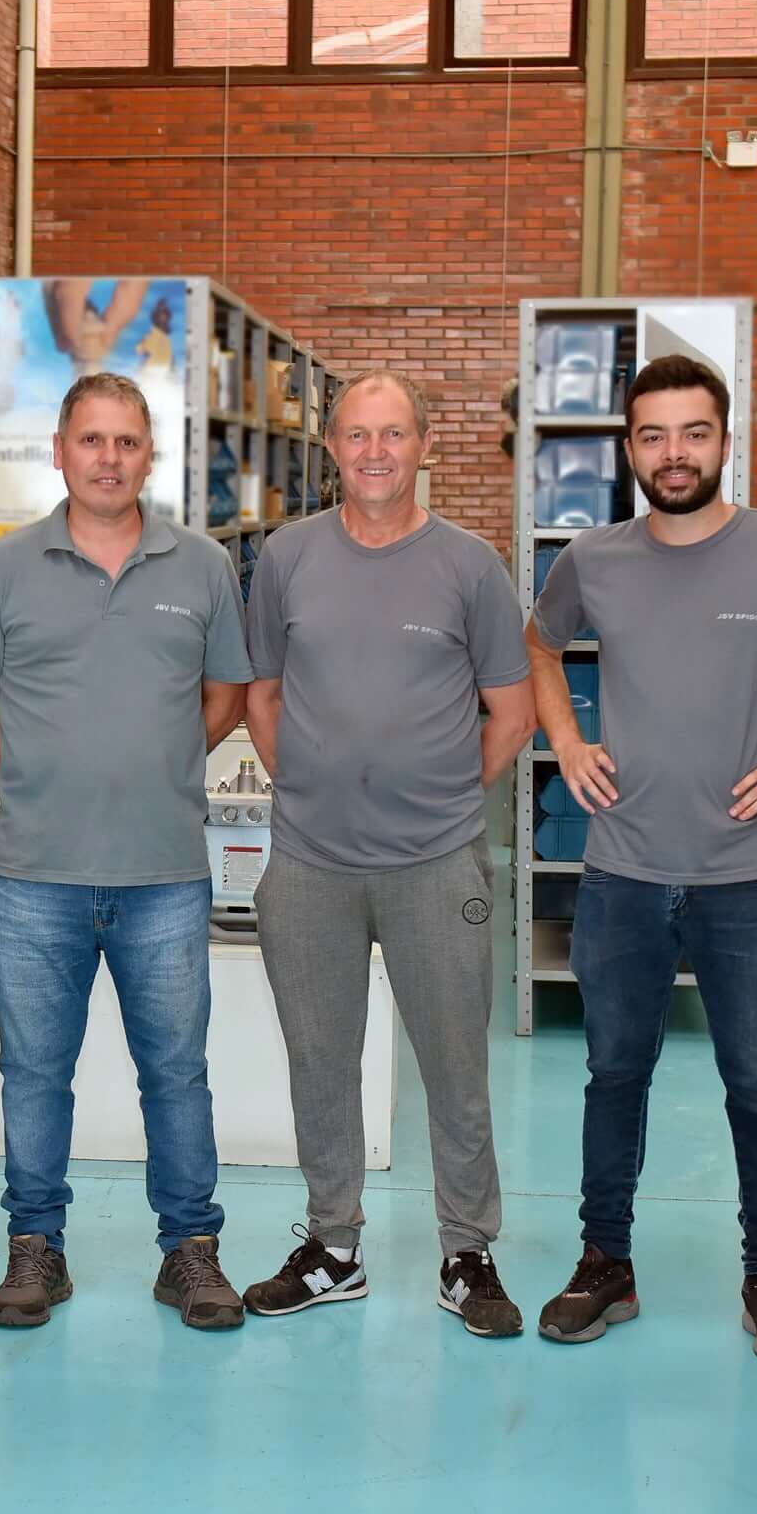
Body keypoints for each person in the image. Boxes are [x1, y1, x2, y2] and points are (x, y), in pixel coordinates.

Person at [524, 354, 757, 1356]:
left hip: (747, 875)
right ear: (630, 448)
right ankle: (604, 1261)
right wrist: (567, 741)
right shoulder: (593, 558)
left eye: (693, 433)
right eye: (654, 435)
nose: (674, 453)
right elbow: (539, 644)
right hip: (622, 870)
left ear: (725, 440)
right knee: (612, 1072)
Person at [0, 372, 254, 1330]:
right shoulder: (0, 571)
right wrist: (32, 779)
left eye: (126, 441)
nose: (108, 458)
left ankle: (190, 1251)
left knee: (177, 1073)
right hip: (40, 875)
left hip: (165, 873)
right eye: (91, 440)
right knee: (34, 1074)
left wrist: (159, 768)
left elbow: (226, 697)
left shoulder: (202, 566)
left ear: (150, 455)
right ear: (60, 451)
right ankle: (35, 1248)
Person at [235, 370, 537, 1334]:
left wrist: (444, 796)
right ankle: (333, 1247)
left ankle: (467, 1252)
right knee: (320, 1061)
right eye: (358, 434)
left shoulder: (470, 566)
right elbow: (262, 693)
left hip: (437, 863)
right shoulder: (287, 557)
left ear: (424, 446)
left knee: (455, 1068)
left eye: (394, 434)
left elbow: (513, 711)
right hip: (310, 864)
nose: (375, 452)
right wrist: (305, 785)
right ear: (332, 447)